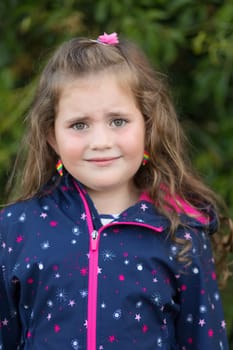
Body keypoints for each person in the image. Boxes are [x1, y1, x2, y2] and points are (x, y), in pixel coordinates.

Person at [0, 32, 232, 350]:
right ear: (52, 137)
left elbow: (205, 342)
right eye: (79, 124)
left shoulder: (181, 232)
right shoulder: (15, 229)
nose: (101, 142)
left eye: (118, 121)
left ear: (148, 127)